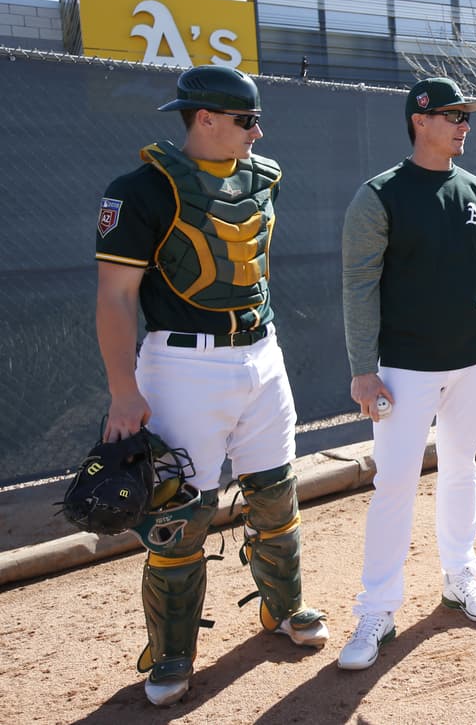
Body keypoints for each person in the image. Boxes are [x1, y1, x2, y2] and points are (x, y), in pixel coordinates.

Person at [95, 65, 329, 707]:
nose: (258, 132)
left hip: (260, 353)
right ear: (205, 119)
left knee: (275, 490)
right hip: (182, 365)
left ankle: (284, 608)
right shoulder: (139, 190)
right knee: (180, 512)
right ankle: (171, 653)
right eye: (247, 121)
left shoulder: (263, 180)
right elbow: (115, 297)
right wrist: (123, 390)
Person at [337, 77, 476, 670]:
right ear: (419, 120)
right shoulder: (379, 196)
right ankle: (377, 609)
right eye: (451, 115)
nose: (463, 125)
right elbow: (359, 287)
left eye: (466, 117)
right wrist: (361, 371)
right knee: (395, 483)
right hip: (403, 368)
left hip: (475, 360)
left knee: (460, 469)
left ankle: (460, 579)